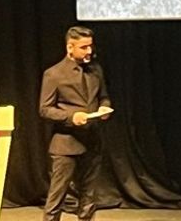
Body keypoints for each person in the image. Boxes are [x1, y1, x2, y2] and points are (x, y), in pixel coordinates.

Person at [39, 26, 114, 221]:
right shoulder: (54, 74)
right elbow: (45, 109)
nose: (89, 51)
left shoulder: (96, 70)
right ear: (70, 47)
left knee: (89, 196)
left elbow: (104, 97)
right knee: (57, 196)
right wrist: (71, 117)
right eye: (84, 47)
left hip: (92, 141)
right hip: (66, 144)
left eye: (90, 46)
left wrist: (104, 108)